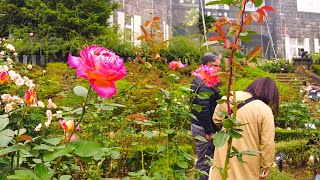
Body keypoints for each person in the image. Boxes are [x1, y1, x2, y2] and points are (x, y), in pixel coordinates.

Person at [209, 77, 279, 180]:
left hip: (224, 151)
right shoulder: (264, 110)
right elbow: (267, 143)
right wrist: (266, 166)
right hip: (248, 157)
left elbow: (216, 119)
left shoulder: (229, 97)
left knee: (221, 174)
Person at [191, 52, 222, 180]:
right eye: (217, 66)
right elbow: (203, 109)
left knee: (206, 160)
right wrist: (209, 132)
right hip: (203, 128)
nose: (220, 69)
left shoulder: (203, 79)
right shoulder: (204, 84)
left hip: (200, 126)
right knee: (204, 162)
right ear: (209, 65)